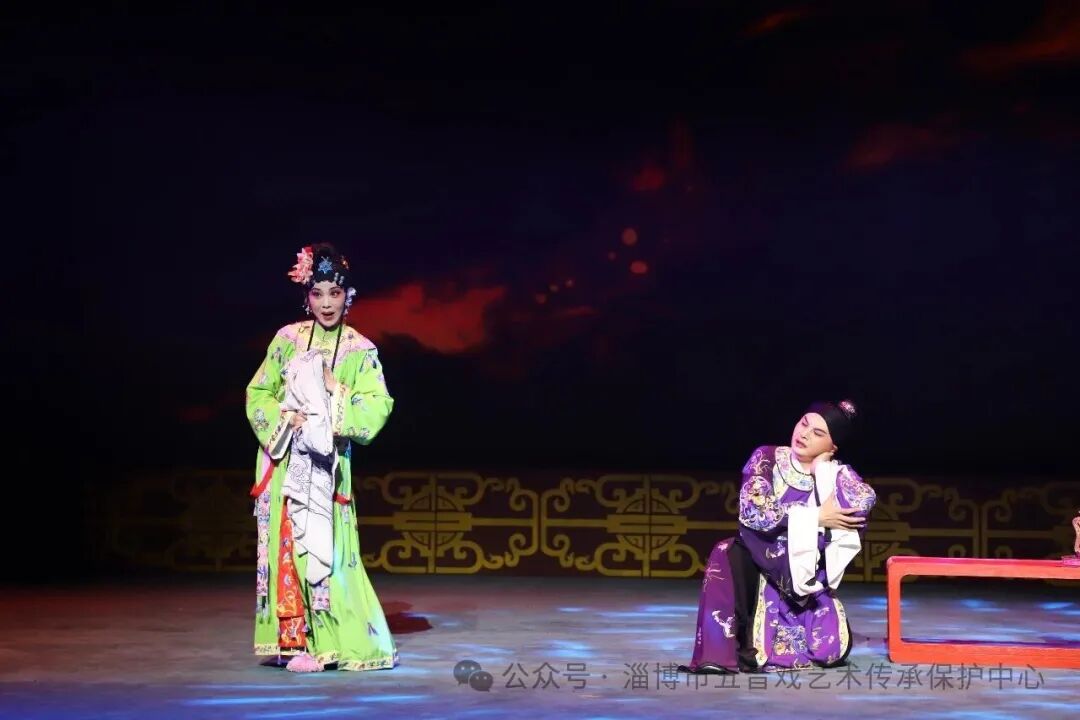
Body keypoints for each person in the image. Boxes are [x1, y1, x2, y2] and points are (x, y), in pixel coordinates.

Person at [245, 243, 398, 673]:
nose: (326, 303)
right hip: (284, 461)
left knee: (326, 551)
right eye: (317, 294)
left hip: (327, 469)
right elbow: (258, 392)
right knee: (287, 546)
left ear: (348, 295)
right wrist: (285, 417)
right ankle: (294, 643)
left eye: (335, 293)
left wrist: (335, 390)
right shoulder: (287, 340)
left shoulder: (359, 350)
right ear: (306, 297)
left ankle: (332, 642)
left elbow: (377, 407)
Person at [681, 400, 876, 673]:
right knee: (725, 551)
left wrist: (822, 470)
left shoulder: (835, 475)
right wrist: (816, 517)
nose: (804, 434)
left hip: (804, 581)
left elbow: (863, 502)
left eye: (818, 433)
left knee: (827, 651)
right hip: (761, 563)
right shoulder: (767, 457)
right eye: (804, 424)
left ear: (832, 448)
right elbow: (754, 510)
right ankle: (717, 655)